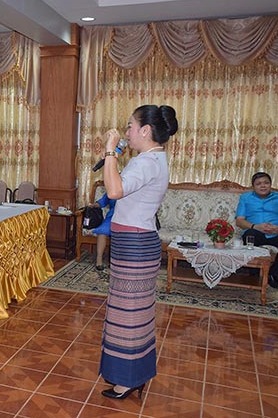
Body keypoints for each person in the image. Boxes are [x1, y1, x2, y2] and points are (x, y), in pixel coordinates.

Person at [99, 104, 178, 400]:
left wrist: (109, 151)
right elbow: (119, 186)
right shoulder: (153, 158)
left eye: (131, 126)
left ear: (145, 130)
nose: (127, 131)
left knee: (128, 314)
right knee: (135, 312)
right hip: (136, 240)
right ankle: (134, 374)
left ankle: (127, 379)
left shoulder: (146, 162)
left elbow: (114, 191)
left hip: (134, 244)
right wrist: (113, 159)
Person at [235, 172, 278, 288]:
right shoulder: (245, 198)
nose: (263, 186)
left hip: (276, 234)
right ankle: (255, 277)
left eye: (266, 183)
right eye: (259, 184)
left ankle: (273, 275)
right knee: (250, 235)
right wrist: (255, 226)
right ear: (253, 186)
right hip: (255, 232)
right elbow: (239, 221)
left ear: (271, 184)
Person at [90, 193, 116, 271]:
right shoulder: (113, 187)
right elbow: (104, 201)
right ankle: (99, 260)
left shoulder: (132, 186)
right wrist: (95, 205)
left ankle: (116, 261)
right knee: (102, 231)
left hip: (127, 218)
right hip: (112, 217)